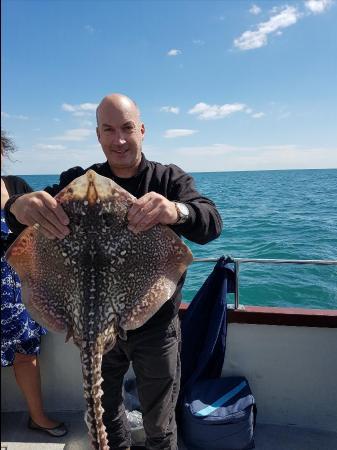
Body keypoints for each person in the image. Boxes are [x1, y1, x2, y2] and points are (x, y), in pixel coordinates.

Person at [5, 94, 223, 449]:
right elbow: (18, 227)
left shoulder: (168, 179)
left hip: (155, 326)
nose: (119, 139)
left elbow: (210, 223)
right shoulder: (76, 181)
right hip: (89, 322)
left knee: (159, 418)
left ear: (141, 129)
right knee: (105, 411)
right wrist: (18, 204)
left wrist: (175, 210)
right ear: (98, 135)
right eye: (109, 130)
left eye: (126, 128)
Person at [1, 130, 68, 437]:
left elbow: (47, 231)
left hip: (18, 290)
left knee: (26, 355)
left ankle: (37, 417)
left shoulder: (16, 186)